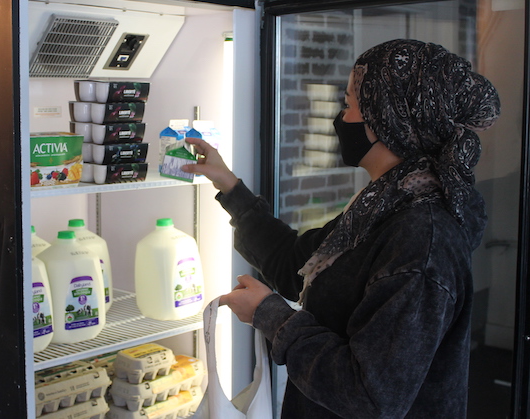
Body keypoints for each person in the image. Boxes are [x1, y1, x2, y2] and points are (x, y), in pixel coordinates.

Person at [181, 39, 500, 418]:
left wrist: (271, 316)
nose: (341, 118)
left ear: (387, 119)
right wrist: (230, 186)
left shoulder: (421, 237)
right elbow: (293, 263)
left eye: (349, 105)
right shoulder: (381, 205)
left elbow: (369, 395)